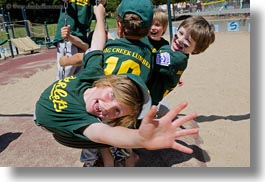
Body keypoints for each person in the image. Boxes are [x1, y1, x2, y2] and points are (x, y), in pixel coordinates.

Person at [34, 3, 199, 165]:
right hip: (139, 99)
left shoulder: (85, 119)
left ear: (119, 27)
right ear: (107, 81)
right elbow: (95, 46)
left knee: (110, 133)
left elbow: (104, 134)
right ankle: (121, 155)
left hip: (59, 126)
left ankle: (107, 158)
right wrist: (99, 17)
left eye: (116, 110)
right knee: (122, 124)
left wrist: (139, 139)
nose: (107, 107)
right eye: (112, 95)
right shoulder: (95, 74)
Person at [147, 16, 215, 106]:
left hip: (147, 100)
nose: (180, 39)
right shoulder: (174, 54)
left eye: (187, 40)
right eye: (181, 33)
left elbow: (152, 58)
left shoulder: (178, 58)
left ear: (196, 50)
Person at [53, 0, 107, 80]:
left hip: (83, 37)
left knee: (81, 71)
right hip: (67, 34)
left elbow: (102, 4)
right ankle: (61, 89)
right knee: (67, 72)